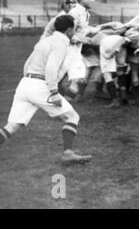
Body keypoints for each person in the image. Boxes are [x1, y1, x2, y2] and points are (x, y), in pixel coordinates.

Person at [0, 15, 92, 165]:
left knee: (11, 127)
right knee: (72, 117)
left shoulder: (44, 41)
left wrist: (29, 83)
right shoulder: (61, 44)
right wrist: (54, 92)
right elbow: (51, 68)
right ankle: (67, 154)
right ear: (69, 30)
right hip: (41, 86)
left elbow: (27, 64)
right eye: (74, 28)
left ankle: (68, 154)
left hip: (25, 84)